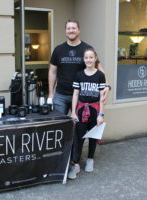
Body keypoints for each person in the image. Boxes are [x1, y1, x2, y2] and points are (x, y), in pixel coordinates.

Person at [48, 19, 108, 114]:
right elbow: (52, 71)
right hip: (60, 96)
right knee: (59, 124)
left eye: (73, 28)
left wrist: (106, 85)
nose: (71, 30)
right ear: (65, 31)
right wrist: (51, 94)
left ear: (79, 30)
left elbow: (99, 69)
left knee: (78, 126)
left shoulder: (87, 49)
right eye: (68, 28)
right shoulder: (58, 49)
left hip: (81, 95)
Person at [67, 48, 106, 179]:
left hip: (95, 109)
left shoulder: (100, 75)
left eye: (91, 57)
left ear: (95, 58)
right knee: (79, 137)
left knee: (93, 136)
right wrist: (73, 112)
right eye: (86, 57)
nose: (89, 60)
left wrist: (101, 114)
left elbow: (102, 96)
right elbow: (76, 94)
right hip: (81, 109)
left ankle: (90, 159)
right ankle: (76, 164)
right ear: (84, 60)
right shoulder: (79, 75)